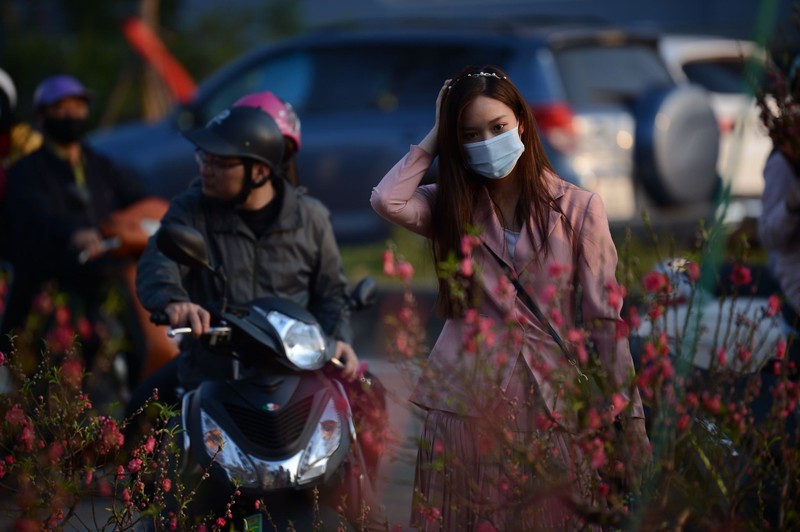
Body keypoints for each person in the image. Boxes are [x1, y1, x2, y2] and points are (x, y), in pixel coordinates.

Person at [370, 65, 650, 530]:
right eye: (470, 134)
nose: (487, 142)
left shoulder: (580, 209)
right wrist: (437, 133)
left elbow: (606, 324)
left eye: (498, 127)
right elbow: (387, 201)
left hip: (552, 407)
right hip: (464, 406)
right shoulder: (450, 205)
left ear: (521, 122)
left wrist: (632, 420)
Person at [135, 101, 360, 395]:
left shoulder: (311, 218)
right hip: (210, 376)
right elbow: (160, 259)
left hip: (294, 378)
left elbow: (331, 294)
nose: (207, 169)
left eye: (221, 163)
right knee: (134, 416)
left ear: (259, 172)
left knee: (368, 416)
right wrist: (174, 300)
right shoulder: (191, 209)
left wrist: (338, 340)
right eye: (204, 157)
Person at [0, 74, 147, 385]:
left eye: (78, 107)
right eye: (61, 109)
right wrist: (72, 233)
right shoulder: (26, 172)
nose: (72, 115)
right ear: (41, 116)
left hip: (108, 288)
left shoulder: (101, 166)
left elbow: (140, 198)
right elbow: (34, 217)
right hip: (52, 293)